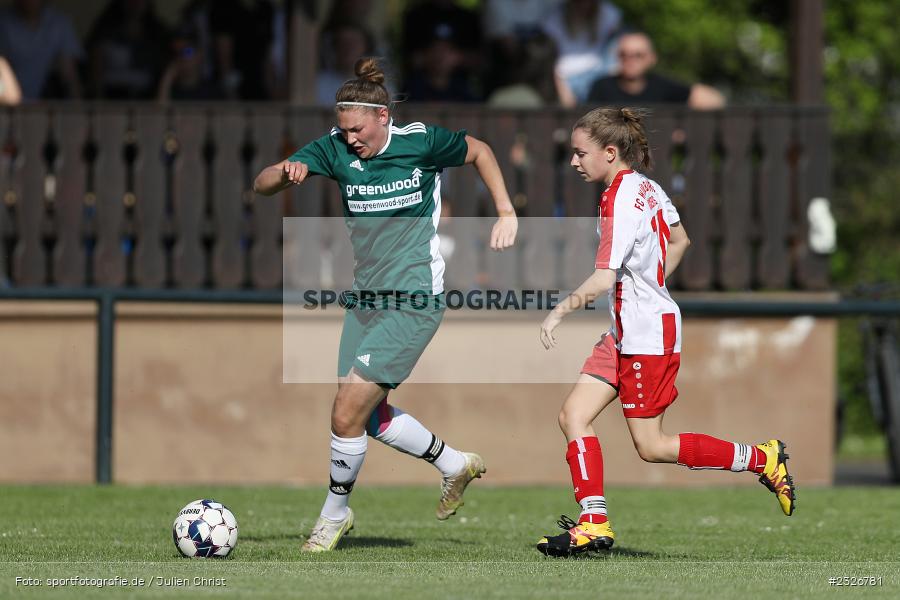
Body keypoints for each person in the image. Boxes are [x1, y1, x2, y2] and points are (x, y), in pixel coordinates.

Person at [253, 57, 518, 553]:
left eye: (356, 129)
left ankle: (333, 517)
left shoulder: (420, 142)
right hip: (365, 299)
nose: (349, 138)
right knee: (362, 418)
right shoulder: (333, 149)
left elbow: (480, 151)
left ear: (382, 117)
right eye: (343, 130)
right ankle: (453, 463)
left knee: (345, 413)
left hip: (414, 299)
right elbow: (261, 183)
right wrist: (284, 173)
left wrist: (506, 212)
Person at [534, 107, 794, 557]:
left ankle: (761, 458)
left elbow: (604, 277)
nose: (574, 162)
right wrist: (652, 286)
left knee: (651, 446)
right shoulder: (649, 188)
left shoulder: (617, 197)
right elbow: (681, 240)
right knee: (573, 415)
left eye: (580, 153)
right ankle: (593, 521)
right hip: (626, 329)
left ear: (610, 152)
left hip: (645, 336)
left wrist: (558, 311)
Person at [587, 31, 725, 109]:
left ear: (651, 58)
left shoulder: (662, 86)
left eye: (638, 55)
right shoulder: (602, 86)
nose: (630, 60)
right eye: (624, 54)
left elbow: (714, 100)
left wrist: (682, 127)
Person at [540, 0, 624, 107]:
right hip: (565, 77)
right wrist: (561, 86)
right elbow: (549, 57)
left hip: (598, 73)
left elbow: (616, 46)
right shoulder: (555, 17)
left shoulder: (607, 13)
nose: (584, 4)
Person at [0, 0, 82, 100]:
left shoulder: (58, 23)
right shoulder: (3, 22)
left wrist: (76, 107)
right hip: (9, 107)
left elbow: (70, 76)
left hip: (46, 107)